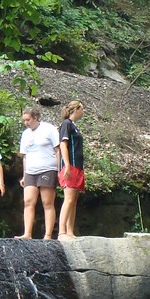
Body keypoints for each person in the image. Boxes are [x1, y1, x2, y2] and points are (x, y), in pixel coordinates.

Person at [17, 107, 60, 239]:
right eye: (24, 120)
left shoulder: (49, 129)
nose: (26, 123)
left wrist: (59, 170)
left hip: (48, 168)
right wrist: (24, 174)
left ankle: (47, 235)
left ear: (35, 118)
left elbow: (58, 150)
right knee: (28, 201)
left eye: (28, 120)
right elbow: (25, 155)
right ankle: (27, 233)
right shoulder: (25, 134)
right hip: (31, 171)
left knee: (47, 202)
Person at [57, 100, 85, 240]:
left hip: (78, 166)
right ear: (76, 109)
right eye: (82, 109)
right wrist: (67, 165)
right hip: (70, 166)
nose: (83, 112)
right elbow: (63, 145)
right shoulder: (66, 124)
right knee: (68, 199)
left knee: (73, 200)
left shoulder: (74, 126)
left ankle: (70, 231)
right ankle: (61, 232)